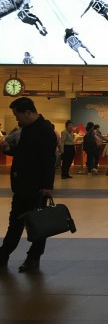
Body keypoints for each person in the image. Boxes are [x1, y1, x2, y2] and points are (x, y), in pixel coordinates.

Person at [0, 97, 57, 273]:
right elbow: (25, 153)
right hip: (22, 186)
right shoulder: (27, 129)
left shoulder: (45, 130)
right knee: (15, 222)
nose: (17, 119)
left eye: (17, 115)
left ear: (28, 112)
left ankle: (33, 257)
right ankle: (4, 255)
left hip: (36, 187)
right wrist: (10, 150)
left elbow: (49, 160)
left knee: (37, 225)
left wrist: (47, 186)